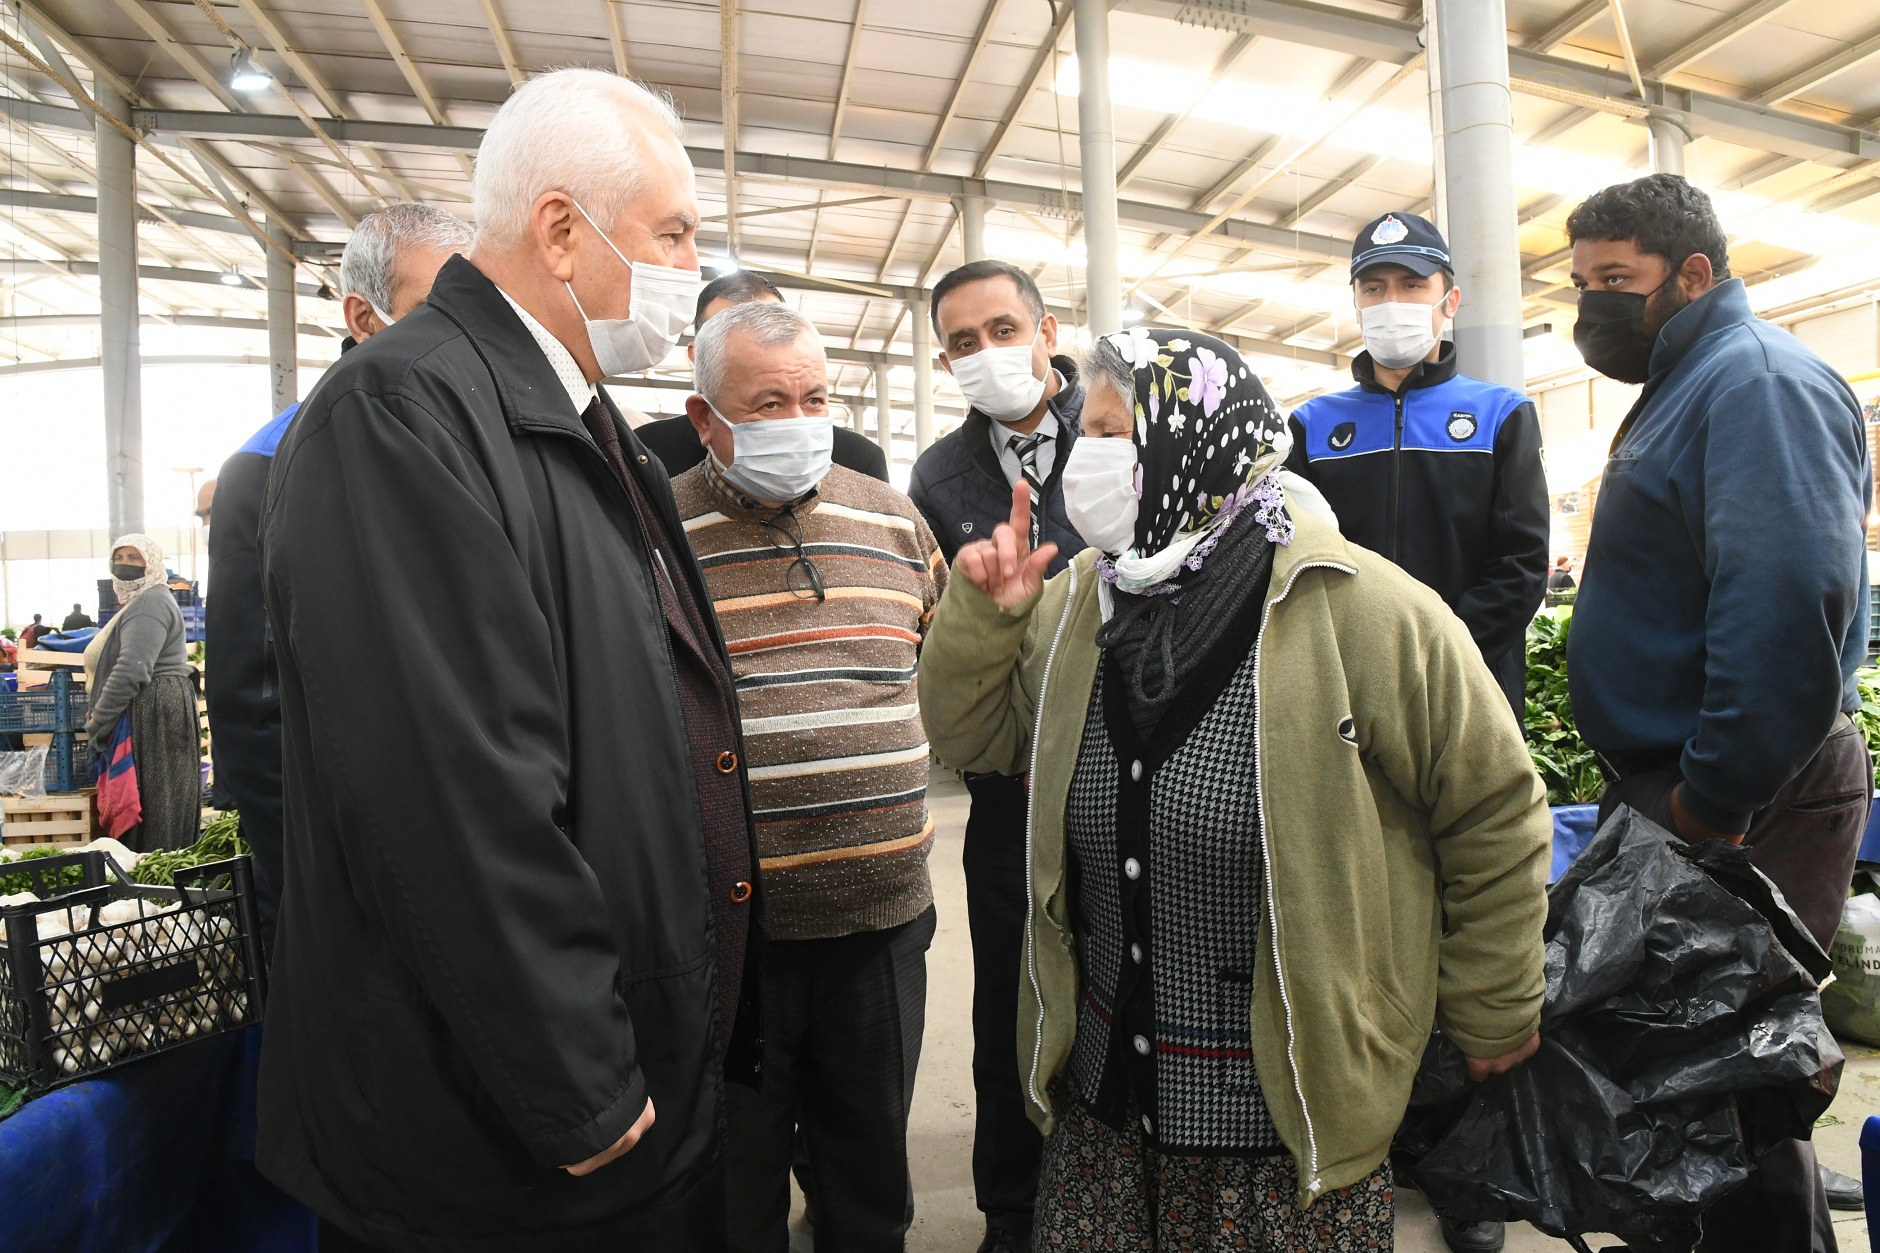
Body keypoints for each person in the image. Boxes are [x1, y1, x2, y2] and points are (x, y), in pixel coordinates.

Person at [257, 69, 760, 1253]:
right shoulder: (401, 415)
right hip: (502, 1135)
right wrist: (577, 1080)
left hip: (616, 1093)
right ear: (560, 231)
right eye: (674, 232)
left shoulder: (584, 426)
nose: (692, 264)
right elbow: (449, 792)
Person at [919, 327, 1550, 1251]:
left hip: (1285, 1118)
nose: (1085, 460)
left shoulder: (1361, 607)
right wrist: (984, 619)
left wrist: (1494, 1001)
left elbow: (1492, 806)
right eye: (1085, 433)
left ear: (1199, 442)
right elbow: (977, 738)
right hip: (1106, 1103)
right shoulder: (1076, 603)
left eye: (1113, 433)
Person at [1565, 173, 1873, 1252]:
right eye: (1580, 282)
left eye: (1617, 279)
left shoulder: (1754, 383)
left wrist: (1708, 799)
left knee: (1732, 1071)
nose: (1593, 304)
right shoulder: (1690, 376)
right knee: (1687, 1071)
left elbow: (1787, 600)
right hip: (1695, 789)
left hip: (1747, 793)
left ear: (1693, 273)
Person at [669, 299, 944, 1252]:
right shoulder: (652, 538)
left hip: (880, 920)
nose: (798, 422)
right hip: (736, 940)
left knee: (868, 1177)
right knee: (737, 1191)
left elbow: (940, 674)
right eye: (769, 402)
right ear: (706, 418)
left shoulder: (894, 520)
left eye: (815, 398)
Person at [208, 201, 471, 961]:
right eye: (434, 312)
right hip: (341, 871)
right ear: (364, 316)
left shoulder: (467, 447)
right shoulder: (271, 464)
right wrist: (313, 878)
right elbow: (252, 706)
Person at [903, 258, 1087, 1253]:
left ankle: (1120, 1183)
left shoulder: (1121, 420)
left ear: (1046, 327)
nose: (986, 353)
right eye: (963, 342)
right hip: (1010, 782)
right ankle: (1011, 1204)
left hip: (1119, 771)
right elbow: (948, 640)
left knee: (1118, 981)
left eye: (1002, 328)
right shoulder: (941, 474)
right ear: (943, 359)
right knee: (1009, 1003)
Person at [1286, 212, 1549, 720]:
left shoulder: (1501, 415)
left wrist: (1437, 647)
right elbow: (1297, 560)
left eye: (1411, 285)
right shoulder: (1311, 426)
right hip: (1350, 686)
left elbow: (1522, 564)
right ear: (1357, 305)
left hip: (1473, 681)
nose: (1392, 303)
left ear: (1449, 301)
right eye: (1374, 288)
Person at [636, 270, 890, 482]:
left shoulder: (858, 460)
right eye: (726, 331)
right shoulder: (647, 452)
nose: (759, 342)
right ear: (696, 356)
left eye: (773, 325)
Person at [81, 536, 200, 851]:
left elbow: (132, 669)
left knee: (155, 799)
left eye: (135, 558)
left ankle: (153, 881)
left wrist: (99, 723)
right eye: (119, 557)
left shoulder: (150, 602)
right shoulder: (142, 601)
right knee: (162, 795)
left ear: (152, 563)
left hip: (155, 709)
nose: (125, 563)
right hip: (157, 703)